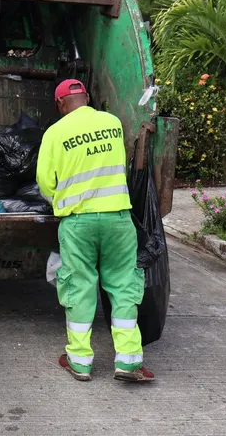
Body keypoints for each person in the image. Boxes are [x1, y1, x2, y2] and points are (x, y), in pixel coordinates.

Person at [36, 79, 154, 383]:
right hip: (118, 220)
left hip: (78, 224)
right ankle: (128, 363)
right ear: (87, 97)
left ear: (60, 104)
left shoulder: (54, 133)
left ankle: (79, 362)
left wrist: (60, 198)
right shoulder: (112, 123)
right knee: (124, 287)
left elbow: (45, 182)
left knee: (80, 287)